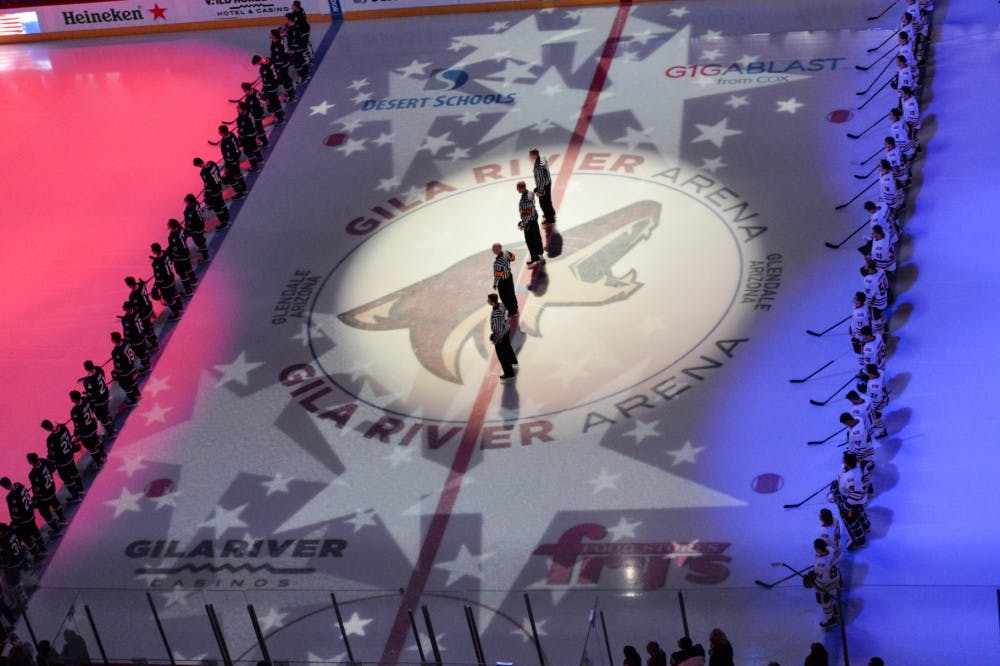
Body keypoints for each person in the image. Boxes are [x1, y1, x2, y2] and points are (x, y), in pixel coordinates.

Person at [831, 452, 869, 550]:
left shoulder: (849, 476)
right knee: (860, 512)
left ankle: (860, 540)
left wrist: (845, 506)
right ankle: (866, 525)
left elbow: (855, 494)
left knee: (852, 520)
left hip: (852, 501)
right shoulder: (859, 466)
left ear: (847, 463)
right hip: (861, 498)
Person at [0, 478, 45, 560]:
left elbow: (15, 512)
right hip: (30, 515)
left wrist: (14, 522)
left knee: (26, 538)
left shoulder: (10, 497)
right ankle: (42, 547)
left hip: (23, 521)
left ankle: (36, 554)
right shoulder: (19, 485)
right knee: (35, 531)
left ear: (5, 486)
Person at [42, 419, 83, 501]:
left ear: (46, 429)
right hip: (70, 456)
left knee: (67, 479)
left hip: (62, 463)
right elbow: (69, 438)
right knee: (74, 472)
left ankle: (75, 495)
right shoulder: (62, 427)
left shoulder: (50, 439)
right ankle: (81, 489)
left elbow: (52, 454)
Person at [27, 453, 66, 537]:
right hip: (52, 489)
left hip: (44, 497)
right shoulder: (43, 461)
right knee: (56, 504)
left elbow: (37, 490)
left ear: (30, 462)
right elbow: (52, 468)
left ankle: (56, 529)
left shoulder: (32, 474)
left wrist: (35, 498)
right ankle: (62, 519)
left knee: (45, 513)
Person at [69, 390, 106, 467]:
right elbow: (92, 406)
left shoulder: (74, 411)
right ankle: (102, 453)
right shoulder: (85, 399)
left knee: (91, 448)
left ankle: (99, 461)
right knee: (96, 440)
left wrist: (76, 434)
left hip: (86, 432)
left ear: (74, 399)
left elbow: (77, 425)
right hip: (93, 425)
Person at [80, 360, 115, 438]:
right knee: (106, 410)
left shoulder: (87, 382)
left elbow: (91, 394)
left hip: (99, 401)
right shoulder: (99, 369)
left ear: (85, 369)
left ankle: (111, 432)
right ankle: (111, 422)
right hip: (105, 394)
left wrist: (87, 394)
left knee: (102, 418)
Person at [193, 157, 231, 227]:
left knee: (217, 207)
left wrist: (206, 194)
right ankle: (227, 216)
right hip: (219, 186)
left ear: (198, 164)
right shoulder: (212, 163)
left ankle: (224, 222)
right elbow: (218, 172)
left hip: (214, 191)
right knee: (221, 202)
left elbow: (208, 184)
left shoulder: (204, 173)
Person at [488, 293, 517, 381]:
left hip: (501, 335)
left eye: (488, 300)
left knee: (502, 356)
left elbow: (498, 330)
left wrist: (496, 339)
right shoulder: (501, 305)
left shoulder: (496, 314)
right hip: (506, 329)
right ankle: (513, 360)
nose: (487, 301)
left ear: (492, 302)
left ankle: (509, 373)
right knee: (508, 347)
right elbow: (506, 314)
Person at [125, 276, 159, 351]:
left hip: (144, 314)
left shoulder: (133, 296)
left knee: (147, 329)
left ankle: (154, 343)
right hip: (150, 307)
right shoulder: (141, 285)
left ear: (129, 285)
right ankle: (152, 314)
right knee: (148, 325)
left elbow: (135, 308)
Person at [150, 243, 183, 320]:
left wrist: (157, 285)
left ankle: (176, 313)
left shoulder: (156, 263)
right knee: (174, 292)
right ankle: (179, 306)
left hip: (165, 283)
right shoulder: (165, 253)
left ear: (154, 251)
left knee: (168, 298)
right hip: (171, 278)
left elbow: (158, 276)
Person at [516, 181, 544, 265]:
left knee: (530, 241)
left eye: (518, 189)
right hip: (534, 217)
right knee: (537, 236)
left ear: (522, 188)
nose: (517, 190)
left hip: (529, 222)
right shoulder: (531, 193)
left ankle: (535, 257)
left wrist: (523, 224)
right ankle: (540, 251)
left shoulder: (525, 201)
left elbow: (526, 214)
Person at [110, 331, 141, 406]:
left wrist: (116, 374)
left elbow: (118, 367)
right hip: (131, 366)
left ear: (114, 340)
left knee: (126, 386)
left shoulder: (116, 352)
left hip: (124, 372)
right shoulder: (126, 341)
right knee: (132, 381)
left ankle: (132, 399)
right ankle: (137, 394)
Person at [167, 219, 197, 295]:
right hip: (185, 254)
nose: (167, 226)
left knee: (181, 273)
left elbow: (175, 246)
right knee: (188, 267)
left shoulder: (174, 236)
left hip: (179, 257)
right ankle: (193, 280)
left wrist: (173, 254)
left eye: (169, 225)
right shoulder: (181, 230)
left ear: (172, 226)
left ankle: (188, 290)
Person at [217, 125, 248, 199]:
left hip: (231, 162)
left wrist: (229, 162)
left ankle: (239, 192)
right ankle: (244, 188)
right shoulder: (231, 134)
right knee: (238, 174)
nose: (218, 133)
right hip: (234, 160)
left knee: (232, 178)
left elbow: (230, 154)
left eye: (219, 132)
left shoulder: (227, 143)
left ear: (223, 133)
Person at [234, 100, 264, 171]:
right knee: (255, 147)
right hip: (252, 135)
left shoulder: (245, 118)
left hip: (248, 137)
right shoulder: (247, 113)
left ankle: (255, 167)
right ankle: (260, 158)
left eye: (238, 108)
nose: (237, 109)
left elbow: (245, 129)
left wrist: (241, 133)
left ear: (242, 109)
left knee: (248, 151)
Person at [119, 301, 150, 369]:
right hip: (142, 334)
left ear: (126, 308)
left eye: (123, 306)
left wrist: (126, 339)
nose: (122, 307)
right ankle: (146, 359)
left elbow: (127, 332)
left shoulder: (126, 319)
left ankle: (146, 365)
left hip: (136, 339)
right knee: (144, 348)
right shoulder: (136, 312)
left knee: (140, 353)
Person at [529, 148, 556, 225]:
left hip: (544, 185)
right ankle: (551, 213)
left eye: (530, 155)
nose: (529, 156)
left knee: (543, 204)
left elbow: (541, 180)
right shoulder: (542, 157)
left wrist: (540, 191)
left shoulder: (538, 167)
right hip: (548, 182)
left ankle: (550, 219)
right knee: (548, 200)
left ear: (534, 155)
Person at [492, 243, 519, 316]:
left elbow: (498, 275)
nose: (492, 250)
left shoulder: (497, 263)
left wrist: (495, 284)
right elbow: (513, 257)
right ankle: (515, 306)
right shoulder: (506, 252)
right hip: (509, 277)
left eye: (494, 249)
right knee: (511, 294)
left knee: (505, 298)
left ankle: (512, 312)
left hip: (503, 282)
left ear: (498, 250)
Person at [269, 29, 297, 99]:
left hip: (283, 64)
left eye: (271, 34)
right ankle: (289, 84)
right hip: (283, 62)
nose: (269, 35)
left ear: (274, 36)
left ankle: (292, 95)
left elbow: (279, 57)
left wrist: (275, 63)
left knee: (285, 81)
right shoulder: (277, 40)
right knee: (285, 78)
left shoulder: (277, 46)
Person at [182, 194, 211, 262]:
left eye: (186, 200)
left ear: (189, 201)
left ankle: (205, 256)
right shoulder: (196, 204)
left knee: (199, 241)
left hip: (195, 229)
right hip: (200, 225)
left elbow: (190, 222)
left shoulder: (190, 212)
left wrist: (188, 228)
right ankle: (202, 245)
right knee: (200, 239)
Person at [284, 13, 310, 82]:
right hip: (294, 49)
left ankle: (305, 75)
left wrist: (292, 48)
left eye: (286, 19)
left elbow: (297, 41)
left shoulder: (295, 29)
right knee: (297, 63)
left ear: (289, 20)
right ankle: (304, 74)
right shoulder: (290, 27)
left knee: (299, 62)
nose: (285, 20)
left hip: (297, 50)